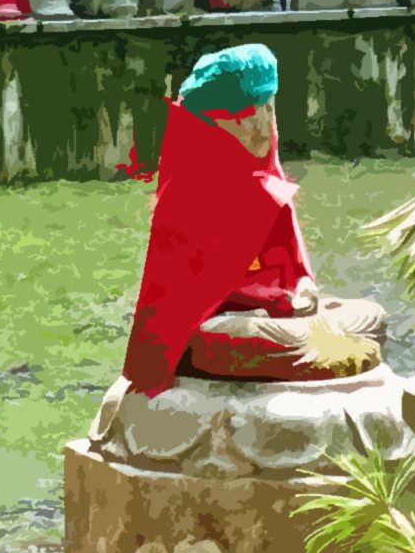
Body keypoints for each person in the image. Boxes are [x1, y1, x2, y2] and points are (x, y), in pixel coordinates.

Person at [116, 47, 381, 392]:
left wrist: (303, 290)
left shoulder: (268, 181)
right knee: (258, 341)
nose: (261, 127)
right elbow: (188, 304)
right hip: (214, 325)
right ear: (211, 123)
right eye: (243, 116)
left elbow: (295, 269)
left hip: (277, 316)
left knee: (370, 317)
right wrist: (269, 302)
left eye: (268, 109)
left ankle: (312, 343)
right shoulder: (191, 189)